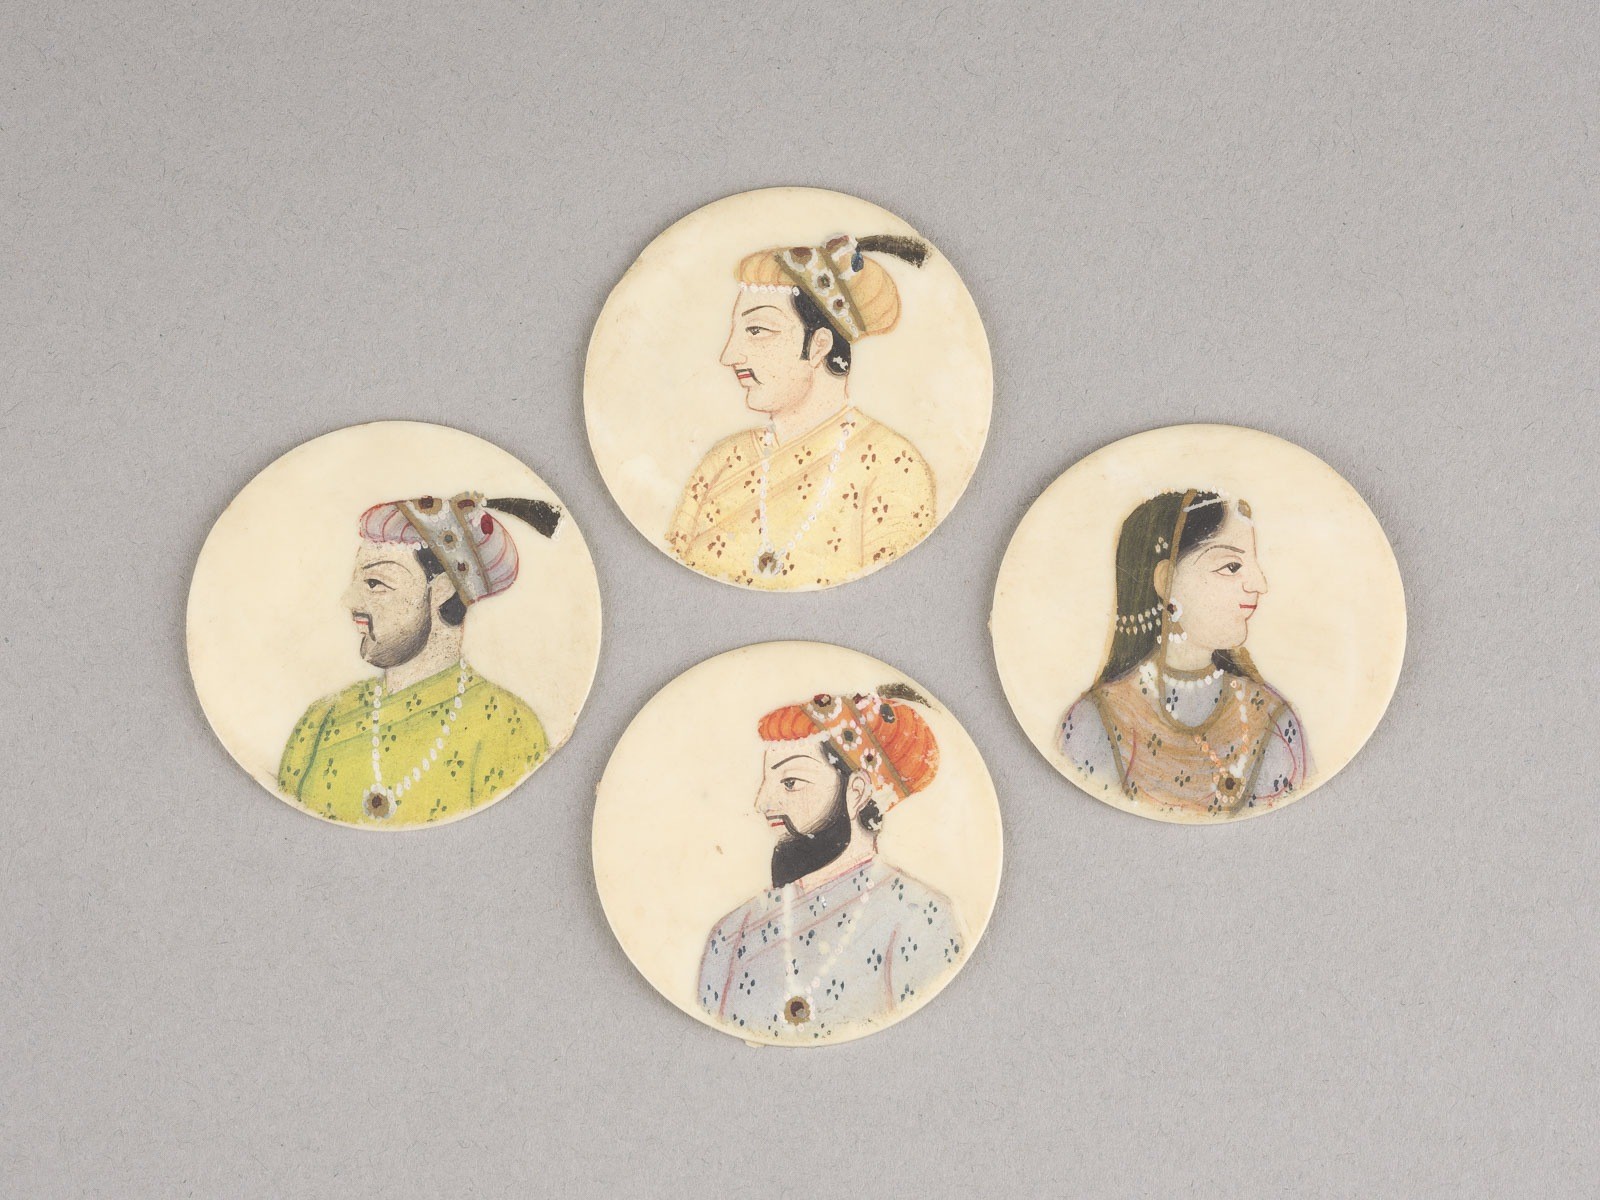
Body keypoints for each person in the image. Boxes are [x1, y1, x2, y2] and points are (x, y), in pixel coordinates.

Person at [665, 233, 938, 588]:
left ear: (820, 345)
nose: (729, 355)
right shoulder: (721, 462)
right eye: (736, 332)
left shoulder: (893, 466)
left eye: (756, 330)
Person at [277, 491, 560, 826]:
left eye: (374, 583)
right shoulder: (319, 722)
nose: (349, 601)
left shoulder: (509, 728)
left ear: (443, 592)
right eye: (357, 583)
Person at [698, 687, 963, 1042]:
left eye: (790, 782)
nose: (762, 803)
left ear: (856, 792)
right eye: (766, 783)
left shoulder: (921, 917)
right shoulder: (732, 933)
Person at [1059, 489, 1309, 818]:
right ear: (1166, 581)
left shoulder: (1271, 717)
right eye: (1232, 566)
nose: (1259, 584)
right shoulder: (1098, 718)